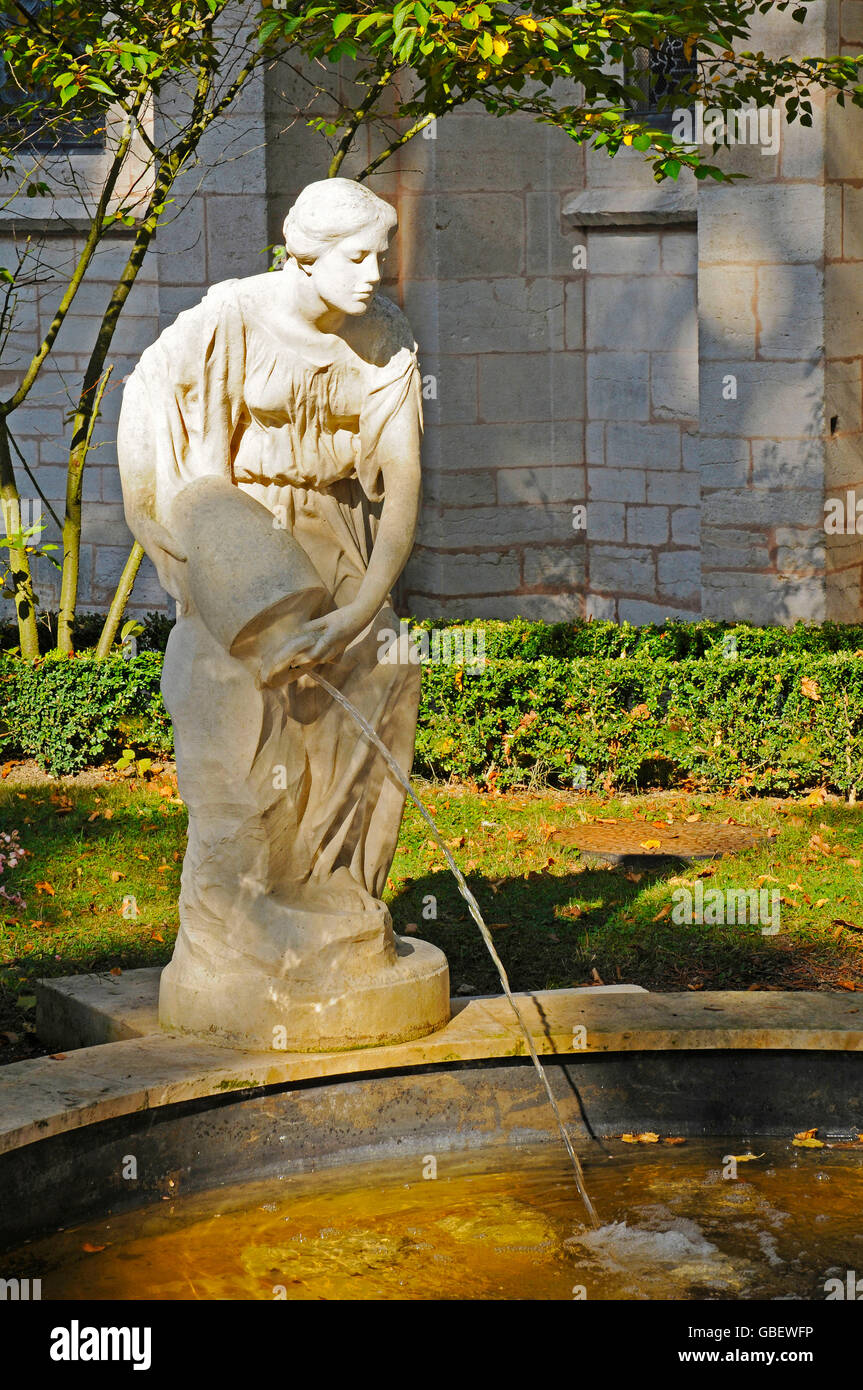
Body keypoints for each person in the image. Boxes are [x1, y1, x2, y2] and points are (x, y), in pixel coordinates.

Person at [117, 178, 448, 1050]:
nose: (375, 272)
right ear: (305, 252)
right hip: (245, 547)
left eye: (383, 253)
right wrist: (161, 533)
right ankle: (244, 918)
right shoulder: (230, 316)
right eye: (357, 255)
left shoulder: (385, 338)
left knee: (383, 670)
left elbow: (404, 482)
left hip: (340, 537)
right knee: (243, 717)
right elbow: (151, 404)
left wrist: (366, 604)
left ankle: (337, 892)